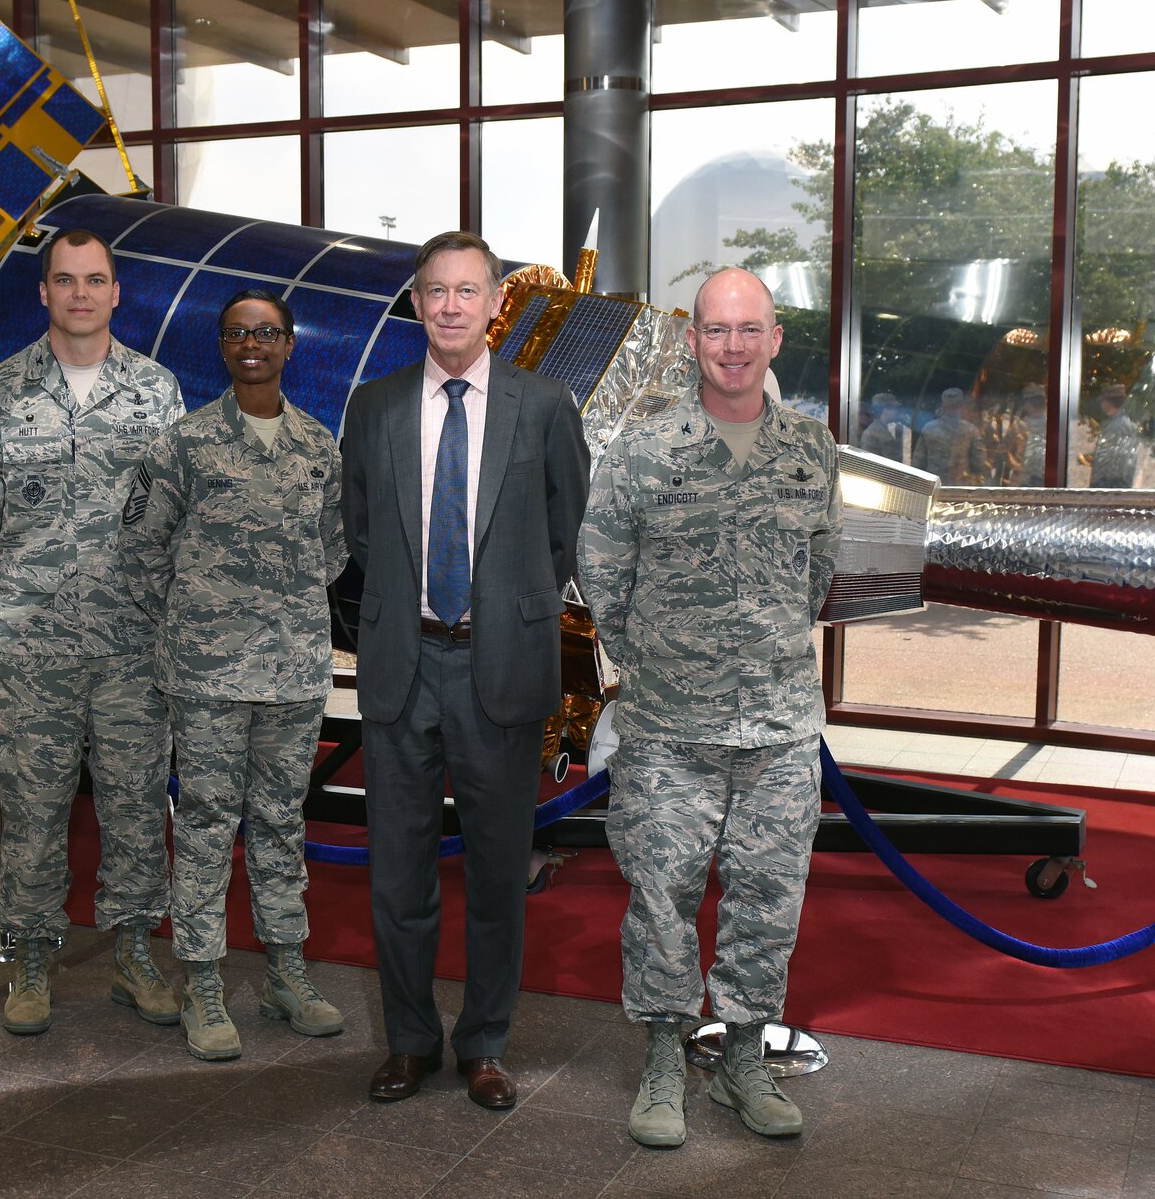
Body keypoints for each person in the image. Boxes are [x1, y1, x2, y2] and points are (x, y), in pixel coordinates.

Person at [577, 266, 839, 1149]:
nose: (732, 346)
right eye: (715, 330)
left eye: (748, 329)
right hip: (668, 731)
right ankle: (663, 1052)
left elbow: (817, 572)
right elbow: (602, 572)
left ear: (774, 339)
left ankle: (742, 1059)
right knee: (661, 895)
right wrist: (663, 659)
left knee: (769, 896)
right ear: (692, 340)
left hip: (778, 725)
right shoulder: (645, 449)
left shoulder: (813, 448)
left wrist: (757, 648)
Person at [340, 230, 590, 1110]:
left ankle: (484, 1043)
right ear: (416, 304)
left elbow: (564, 531)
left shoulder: (547, 403)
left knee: (496, 875)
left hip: (500, 669)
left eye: (467, 290)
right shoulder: (372, 408)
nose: (450, 304)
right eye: (434, 290)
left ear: (495, 304)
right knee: (398, 875)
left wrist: (508, 599)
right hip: (402, 667)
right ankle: (409, 1040)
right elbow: (364, 531)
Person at [0, 228, 185, 1037]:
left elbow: (172, 510)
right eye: (65, 280)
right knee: (31, 803)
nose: (81, 293)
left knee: (133, 802)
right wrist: (31, 589)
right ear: (43, 293)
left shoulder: (157, 391)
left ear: (117, 292)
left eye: (95, 280)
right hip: (33, 648)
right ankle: (29, 958)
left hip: (131, 644)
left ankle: (132, 954)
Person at [124, 288, 347, 1062]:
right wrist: (198, 617)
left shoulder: (319, 446)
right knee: (209, 825)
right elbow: (143, 548)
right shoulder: (183, 444)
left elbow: (332, 552)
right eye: (237, 333)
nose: (252, 343)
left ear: (289, 345)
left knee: (284, 823)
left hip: (291, 672)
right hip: (210, 674)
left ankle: (287, 969)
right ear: (221, 346)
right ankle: (204, 982)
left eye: (267, 332)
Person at [912, 387, 987, 485]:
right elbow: (979, 463)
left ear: (943, 406)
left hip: (933, 487)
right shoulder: (971, 431)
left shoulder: (929, 428)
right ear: (962, 406)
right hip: (960, 489)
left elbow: (918, 462)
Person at [1090, 386, 1139, 488]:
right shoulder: (1126, 423)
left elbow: (1107, 461)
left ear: (1108, 402)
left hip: (1109, 486)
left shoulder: (1115, 427)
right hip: (1119, 484)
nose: (1101, 404)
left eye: (1103, 400)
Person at [1002, 385, 1048, 486]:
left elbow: (1005, 450)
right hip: (1028, 480)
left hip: (1036, 480)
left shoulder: (1019, 425)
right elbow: (1005, 450)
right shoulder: (1019, 425)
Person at [857, 390, 909, 463]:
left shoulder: (892, 430)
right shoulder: (871, 433)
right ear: (884, 410)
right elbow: (870, 464)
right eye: (894, 408)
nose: (897, 412)